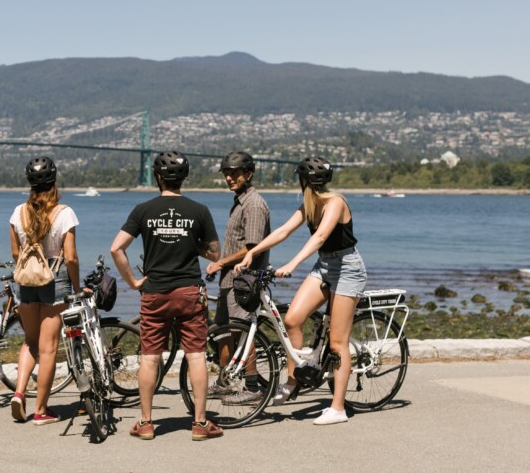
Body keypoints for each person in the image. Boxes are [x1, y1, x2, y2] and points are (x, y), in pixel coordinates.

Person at [233, 156, 367, 425]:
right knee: (293, 319)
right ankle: (293, 381)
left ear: (304, 180)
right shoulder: (309, 204)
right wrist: (253, 252)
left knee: (337, 342)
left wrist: (292, 263)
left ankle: (338, 408)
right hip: (325, 266)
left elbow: (319, 238)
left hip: (348, 268)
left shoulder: (335, 202)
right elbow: (283, 231)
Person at [110, 151, 224, 441]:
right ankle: (200, 424)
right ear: (184, 178)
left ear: (158, 177)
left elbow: (116, 249)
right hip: (189, 291)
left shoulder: (143, 210)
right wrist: (190, 241)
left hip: (155, 292)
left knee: (149, 358)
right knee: (197, 355)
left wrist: (134, 281)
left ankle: (146, 423)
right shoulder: (199, 210)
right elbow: (214, 252)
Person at [9, 156, 81, 425]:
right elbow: (71, 257)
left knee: (30, 341)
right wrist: (76, 287)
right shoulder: (65, 213)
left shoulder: (18, 212)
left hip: (26, 280)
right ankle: (41, 409)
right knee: (48, 347)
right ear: (54, 183)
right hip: (55, 281)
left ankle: (19, 393)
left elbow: (16, 253)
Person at [204, 151, 271, 404]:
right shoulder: (240, 201)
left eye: (234, 173)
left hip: (244, 281)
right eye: (226, 174)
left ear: (248, 174)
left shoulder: (254, 205)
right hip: (228, 279)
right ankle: (225, 382)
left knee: (243, 332)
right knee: (224, 333)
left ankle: (253, 388)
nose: (229, 178)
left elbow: (252, 248)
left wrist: (221, 261)